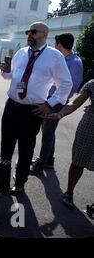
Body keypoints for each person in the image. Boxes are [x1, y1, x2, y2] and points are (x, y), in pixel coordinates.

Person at [0, 22, 72, 195]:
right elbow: (13, 75)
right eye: (28, 32)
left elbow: (66, 83)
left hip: (32, 110)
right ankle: (1, 180)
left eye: (33, 32)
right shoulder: (21, 52)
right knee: (6, 145)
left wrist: (50, 104)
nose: (29, 35)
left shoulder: (54, 56)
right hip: (12, 105)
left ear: (44, 34)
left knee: (26, 148)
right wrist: (5, 72)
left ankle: (20, 182)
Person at [30, 33, 83, 174]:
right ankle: (49, 160)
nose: (54, 46)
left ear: (59, 45)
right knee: (48, 132)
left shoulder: (75, 62)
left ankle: (41, 164)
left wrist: (53, 97)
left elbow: (73, 86)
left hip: (56, 103)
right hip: (47, 99)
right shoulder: (62, 59)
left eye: (56, 44)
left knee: (47, 134)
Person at [46, 79, 94, 210]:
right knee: (78, 160)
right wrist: (61, 113)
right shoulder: (92, 84)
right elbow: (75, 102)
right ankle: (69, 193)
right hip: (90, 124)